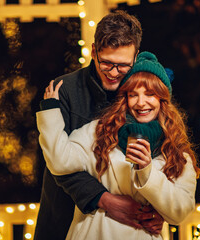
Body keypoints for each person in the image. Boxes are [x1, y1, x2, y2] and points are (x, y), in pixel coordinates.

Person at [37, 51, 200, 239]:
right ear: (125, 98)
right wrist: (51, 111)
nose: (141, 103)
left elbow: (179, 212)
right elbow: (60, 161)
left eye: (150, 94)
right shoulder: (99, 132)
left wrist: (147, 171)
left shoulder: (176, 152)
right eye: (133, 94)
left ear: (162, 99)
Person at [34, 10, 164, 240]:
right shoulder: (63, 91)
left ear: (135, 57)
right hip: (66, 214)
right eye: (107, 63)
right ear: (93, 52)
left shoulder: (142, 94)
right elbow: (56, 159)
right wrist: (104, 199)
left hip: (131, 226)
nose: (114, 73)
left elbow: (162, 153)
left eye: (123, 65)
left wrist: (160, 206)